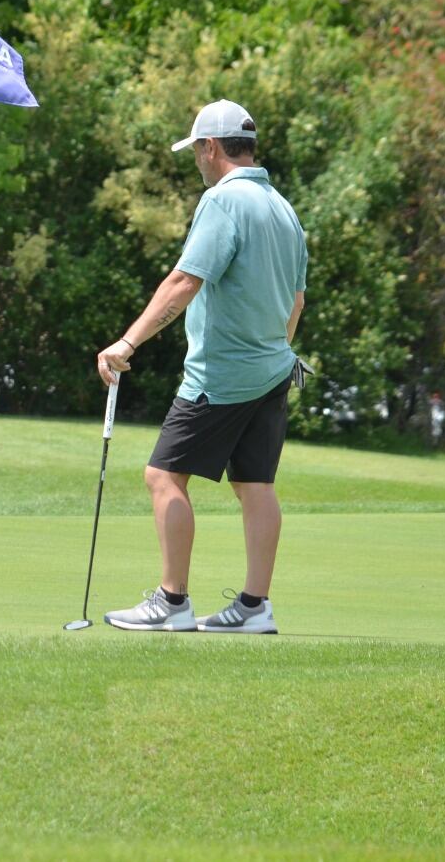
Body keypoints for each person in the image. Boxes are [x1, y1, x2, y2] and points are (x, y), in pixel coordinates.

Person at [95, 100, 307, 634]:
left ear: (211, 147)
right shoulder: (284, 209)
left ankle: (172, 601)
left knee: (163, 476)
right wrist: (270, 353)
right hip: (275, 369)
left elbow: (186, 281)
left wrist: (127, 342)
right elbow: (296, 302)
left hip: (221, 375)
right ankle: (255, 608)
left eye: (196, 149)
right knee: (255, 484)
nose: (195, 159)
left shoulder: (223, 201)